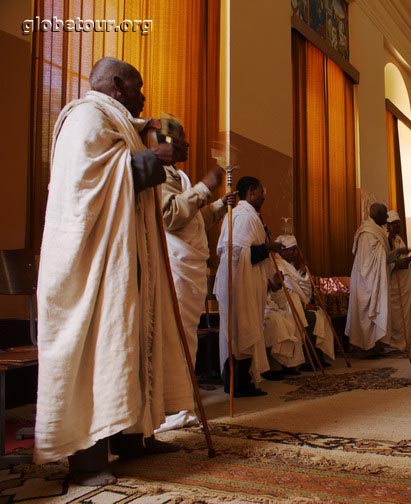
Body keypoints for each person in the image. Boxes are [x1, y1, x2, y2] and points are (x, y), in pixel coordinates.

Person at [35, 57, 193, 485]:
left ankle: (132, 435)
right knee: (97, 349)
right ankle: (86, 458)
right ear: (119, 85)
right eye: (139, 87)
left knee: (130, 343)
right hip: (92, 264)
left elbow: (126, 166)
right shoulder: (86, 117)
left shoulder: (117, 121)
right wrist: (152, 158)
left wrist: (160, 149)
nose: (144, 95)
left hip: (126, 258)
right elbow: (89, 184)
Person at [158, 130, 236, 432]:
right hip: (174, 264)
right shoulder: (160, 175)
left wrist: (217, 205)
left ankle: (181, 400)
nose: (188, 144)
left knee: (185, 336)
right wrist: (205, 187)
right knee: (174, 335)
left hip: (189, 266)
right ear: (163, 142)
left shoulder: (179, 176)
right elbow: (171, 216)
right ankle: (170, 406)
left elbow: (194, 220)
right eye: (180, 139)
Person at [214, 176, 283, 397]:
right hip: (238, 283)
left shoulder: (243, 214)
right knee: (239, 331)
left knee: (241, 331)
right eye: (262, 191)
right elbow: (242, 253)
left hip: (245, 281)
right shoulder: (242, 216)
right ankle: (237, 383)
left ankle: (241, 381)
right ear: (252, 191)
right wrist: (269, 247)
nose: (264, 196)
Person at [274, 234, 336, 367]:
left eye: (295, 249)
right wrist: (304, 305)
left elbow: (305, 288)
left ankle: (316, 356)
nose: (294, 253)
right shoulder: (279, 265)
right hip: (288, 305)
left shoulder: (296, 265)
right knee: (310, 319)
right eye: (291, 250)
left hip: (301, 303)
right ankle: (306, 358)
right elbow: (286, 292)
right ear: (282, 252)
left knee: (322, 316)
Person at [345, 203, 396, 354]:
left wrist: (395, 253)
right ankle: (365, 347)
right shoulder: (368, 233)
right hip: (366, 281)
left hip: (376, 279)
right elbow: (366, 263)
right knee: (366, 313)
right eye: (385, 214)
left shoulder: (377, 232)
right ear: (378, 214)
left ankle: (375, 345)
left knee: (376, 310)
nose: (387, 217)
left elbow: (382, 258)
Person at [386, 211, 411, 351]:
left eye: (399, 223)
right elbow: (387, 261)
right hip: (394, 284)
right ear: (389, 225)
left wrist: (407, 261)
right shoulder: (387, 239)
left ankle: (406, 340)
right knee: (396, 315)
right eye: (395, 224)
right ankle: (396, 343)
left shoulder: (398, 239)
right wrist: (401, 262)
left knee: (406, 314)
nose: (398, 226)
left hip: (404, 284)